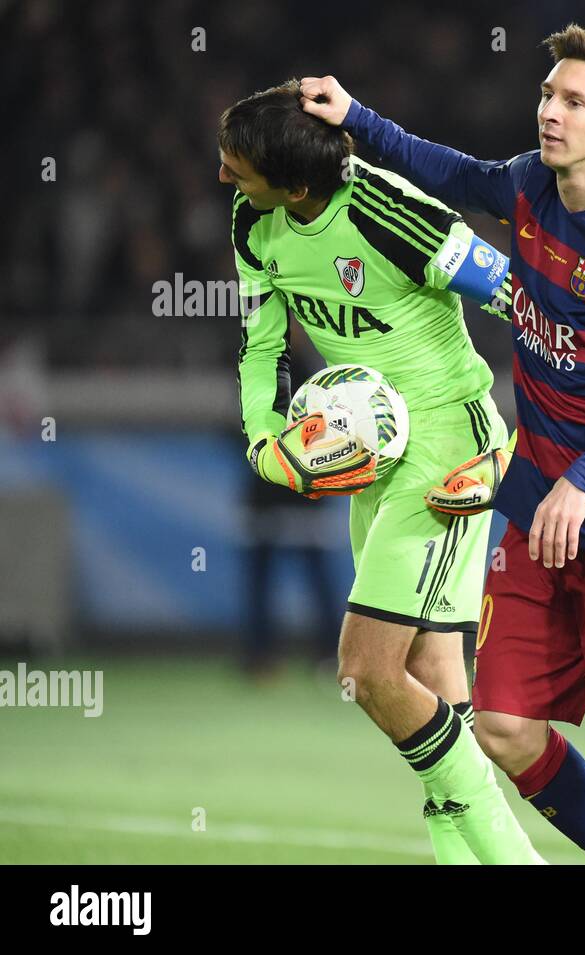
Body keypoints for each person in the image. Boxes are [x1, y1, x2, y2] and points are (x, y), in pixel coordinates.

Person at [301, 22, 585, 864]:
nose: (551, 112)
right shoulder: (529, 184)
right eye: (547, 94)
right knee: (503, 727)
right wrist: (356, 117)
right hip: (538, 501)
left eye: (574, 101)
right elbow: (453, 172)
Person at [218, 79, 541, 864]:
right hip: (373, 455)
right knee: (432, 676)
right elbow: (262, 345)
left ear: (296, 184)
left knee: (366, 672)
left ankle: (516, 859)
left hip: (447, 449)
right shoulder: (252, 225)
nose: (225, 176)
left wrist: (517, 451)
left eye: (239, 167)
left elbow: (528, 308)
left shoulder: (391, 214)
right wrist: (264, 437)